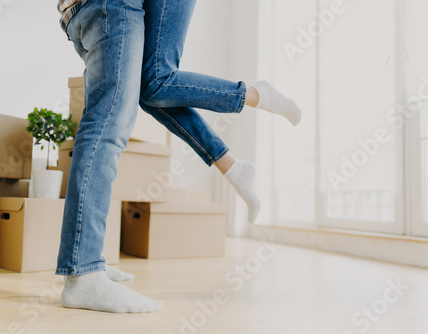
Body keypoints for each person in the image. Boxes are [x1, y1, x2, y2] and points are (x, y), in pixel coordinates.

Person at [56, 0, 301, 313]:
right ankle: (84, 272)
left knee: (150, 88)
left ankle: (87, 263)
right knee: (123, 112)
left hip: (78, 11)